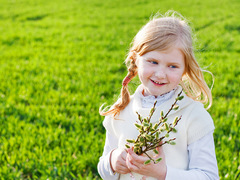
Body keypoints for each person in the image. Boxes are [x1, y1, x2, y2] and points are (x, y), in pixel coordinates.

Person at [97, 11, 219, 180]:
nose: (161, 74)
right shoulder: (121, 111)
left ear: (185, 69)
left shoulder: (194, 116)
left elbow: (209, 176)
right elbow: (104, 170)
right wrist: (111, 161)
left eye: (173, 66)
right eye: (153, 62)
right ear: (135, 60)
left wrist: (163, 173)